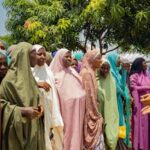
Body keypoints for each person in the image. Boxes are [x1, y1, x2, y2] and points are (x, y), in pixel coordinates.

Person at [0, 42, 45, 150]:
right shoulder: (9, 80)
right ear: (24, 55)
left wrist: (40, 107)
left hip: (33, 130)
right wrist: (22, 111)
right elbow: (1, 104)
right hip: (17, 133)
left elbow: (35, 96)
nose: (37, 56)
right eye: (34, 53)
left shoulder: (30, 78)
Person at [50, 48, 86, 150]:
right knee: (66, 136)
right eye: (67, 56)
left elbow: (82, 90)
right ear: (60, 58)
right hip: (65, 114)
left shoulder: (73, 72)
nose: (70, 59)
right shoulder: (55, 76)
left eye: (70, 56)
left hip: (77, 112)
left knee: (77, 134)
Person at [32, 44, 64, 150]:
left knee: (52, 140)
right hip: (36, 114)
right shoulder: (30, 72)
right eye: (39, 54)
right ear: (32, 55)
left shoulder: (48, 71)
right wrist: (37, 84)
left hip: (50, 111)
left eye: (44, 54)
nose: (42, 57)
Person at [80, 49, 104, 150]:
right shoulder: (87, 74)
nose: (101, 61)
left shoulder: (91, 72)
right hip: (90, 115)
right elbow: (89, 99)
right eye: (98, 58)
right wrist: (96, 116)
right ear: (92, 60)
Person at [97, 59, 119, 150]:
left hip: (111, 114)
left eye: (107, 68)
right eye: (103, 67)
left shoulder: (112, 80)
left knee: (111, 137)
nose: (105, 70)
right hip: (99, 113)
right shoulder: (95, 80)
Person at [129, 57, 150, 150]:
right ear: (139, 64)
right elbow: (133, 87)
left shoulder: (147, 75)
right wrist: (147, 87)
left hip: (148, 104)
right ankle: (141, 146)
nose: (146, 64)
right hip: (140, 105)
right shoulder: (134, 76)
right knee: (142, 126)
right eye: (144, 63)